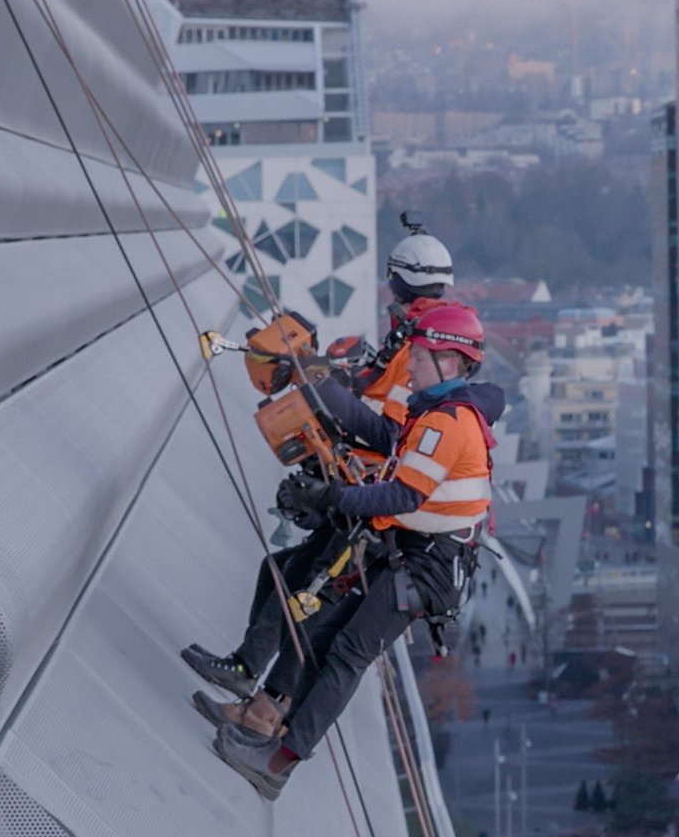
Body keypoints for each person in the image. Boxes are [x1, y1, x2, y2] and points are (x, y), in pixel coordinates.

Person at [203, 304, 503, 800]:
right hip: (415, 552)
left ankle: (275, 764)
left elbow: (402, 495)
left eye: (422, 359)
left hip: (426, 565)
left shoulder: (445, 424)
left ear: (451, 364)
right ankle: (271, 742)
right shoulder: (435, 414)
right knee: (321, 637)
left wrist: (331, 497)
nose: (410, 367)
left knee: (346, 653)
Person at [178, 231, 456, 702]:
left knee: (302, 590)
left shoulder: (420, 349)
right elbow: (374, 391)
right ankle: (249, 673)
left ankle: (257, 686)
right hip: (361, 491)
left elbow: (390, 435)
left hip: (368, 498)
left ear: (400, 281)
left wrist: (323, 389)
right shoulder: (413, 338)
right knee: (280, 571)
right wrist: (330, 373)